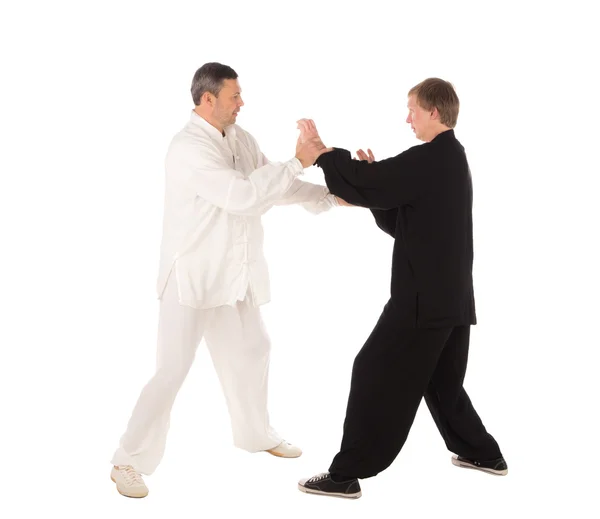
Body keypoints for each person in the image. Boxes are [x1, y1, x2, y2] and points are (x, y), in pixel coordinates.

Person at [110, 62, 337, 498]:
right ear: (207, 98)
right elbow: (242, 196)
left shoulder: (242, 139)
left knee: (255, 348)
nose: (242, 103)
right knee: (172, 371)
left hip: (233, 277)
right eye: (234, 96)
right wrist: (297, 161)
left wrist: (330, 195)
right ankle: (127, 459)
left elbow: (277, 187)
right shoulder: (186, 148)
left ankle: (255, 433)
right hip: (192, 278)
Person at [296, 78, 507, 500]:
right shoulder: (452, 158)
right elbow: (407, 223)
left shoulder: (430, 158)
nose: (407, 117)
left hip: (422, 302)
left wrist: (322, 153)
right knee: (441, 383)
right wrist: (374, 187)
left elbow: (363, 180)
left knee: (371, 370)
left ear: (434, 111)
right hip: (452, 301)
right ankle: (484, 454)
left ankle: (346, 475)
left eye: (412, 109)